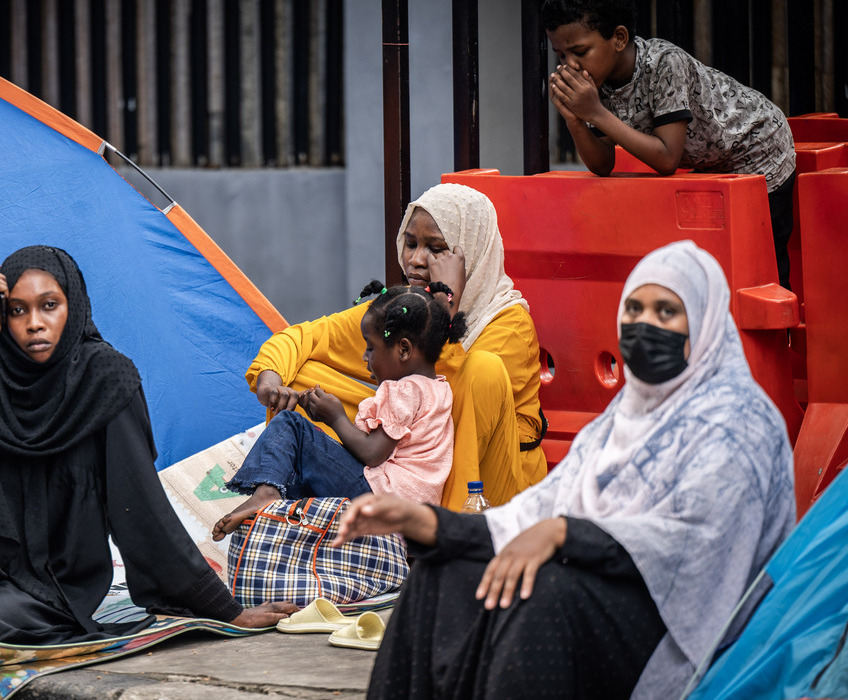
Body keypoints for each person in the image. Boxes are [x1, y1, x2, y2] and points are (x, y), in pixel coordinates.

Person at [332, 241, 795, 699]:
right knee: (441, 573)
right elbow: (541, 506)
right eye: (634, 309)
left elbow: (696, 544)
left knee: (543, 592)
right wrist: (435, 524)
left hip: (683, 620)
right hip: (596, 579)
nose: (644, 324)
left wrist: (565, 535)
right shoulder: (622, 419)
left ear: (707, 325)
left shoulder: (740, 422)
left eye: (666, 313)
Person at [0, 246, 295, 664]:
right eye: (17, 311)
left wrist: (229, 613)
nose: (34, 323)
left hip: (52, 587)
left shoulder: (106, 377)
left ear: (73, 306)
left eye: (49, 306)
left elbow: (141, 509)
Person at [247, 183, 546, 511]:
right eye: (411, 243)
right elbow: (305, 337)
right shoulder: (404, 309)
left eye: (435, 248)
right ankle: (322, 509)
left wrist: (448, 308)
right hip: (408, 466)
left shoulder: (510, 323)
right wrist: (270, 379)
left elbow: (448, 404)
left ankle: (446, 537)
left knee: (483, 369)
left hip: (489, 484)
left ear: (470, 254)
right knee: (301, 376)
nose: (416, 260)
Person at [543, 0, 797, 288]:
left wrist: (595, 113)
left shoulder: (664, 63)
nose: (570, 66)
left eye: (579, 52)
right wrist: (575, 121)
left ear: (618, 38)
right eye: (561, 55)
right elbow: (603, 164)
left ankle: (780, 331)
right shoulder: (596, 83)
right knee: (713, 261)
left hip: (759, 146)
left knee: (760, 262)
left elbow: (666, 158)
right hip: (713, 161)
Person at [211, 281, 466, 540]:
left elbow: (372, 454)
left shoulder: (404, 390)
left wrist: (335, 417)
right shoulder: (438, 389)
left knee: (291, 425)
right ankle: (280, 507)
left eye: (370, 347)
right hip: (407, 519)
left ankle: (266, 495)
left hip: (381, 503)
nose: (365, 358)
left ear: (403, 349)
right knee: (300, 468)